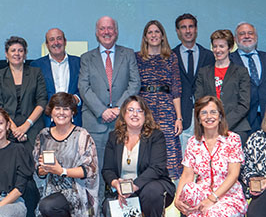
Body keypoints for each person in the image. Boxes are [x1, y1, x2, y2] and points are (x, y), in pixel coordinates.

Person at [78, 16, 141, 207]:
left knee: (124, 170)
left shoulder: (128, 54)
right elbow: (84, 87)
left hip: (123, 123)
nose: (107, 32)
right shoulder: (86, 58)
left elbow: (134, 83)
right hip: (95, 123)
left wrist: (118, 110)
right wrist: (102, 111)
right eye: (102, 29)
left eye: (110, 28)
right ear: (96, 33)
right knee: (95, 172)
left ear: (116, 31)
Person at [102, 96, 176, 217]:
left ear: (145, 115)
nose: (135, 114)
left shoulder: (156, 136)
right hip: (123, 188)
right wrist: (116, 184)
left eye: (139, 111)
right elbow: (107, 170)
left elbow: (157, 168)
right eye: (130, 110)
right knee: (108, 207)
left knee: (151, 192)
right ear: (123, 114)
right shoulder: (114, 137)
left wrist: (132, 187)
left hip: (151, 185)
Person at [174, 96, 247, 217]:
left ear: (220, 116)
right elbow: (187, 175)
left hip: (228, 194)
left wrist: (212, 199)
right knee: (189, 190)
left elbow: (233, 175)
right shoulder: (193, 142)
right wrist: (177, 198)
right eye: (204, 113)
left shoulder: (233, 139)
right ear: (199, 119)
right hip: (203, 193)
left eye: (213, 112)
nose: (209, 117)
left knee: (212, 212)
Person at [0, 36, 46, 217]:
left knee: (32, 179)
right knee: (10, 178)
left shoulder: (36, 72)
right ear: (6, 55)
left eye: (20, 50)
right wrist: (13, 127)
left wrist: (26, 126)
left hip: (32, 130)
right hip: (7, 132)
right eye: (13, 50)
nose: (17, 54)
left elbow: (42, 101)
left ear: (25, 53)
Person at [33, 93, 101, 217]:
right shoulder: (43, 135)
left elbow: (89, 170)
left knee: (47, 206)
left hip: (76, 190)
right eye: (57, 108)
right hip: (51, 191)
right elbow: (37, 168)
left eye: (66, 109)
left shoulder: (82, 135)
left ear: (72, 113)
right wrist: (43, 170)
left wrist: (61, 170)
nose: (61, 113)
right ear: (51, 111)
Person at [172, 13, 214, 217]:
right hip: (181, 118)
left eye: (191, 27)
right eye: (183, 27)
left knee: (206, 167)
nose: (187, 30)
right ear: (177, 32)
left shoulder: (209, 55)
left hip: (205, 118)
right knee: (186, 166)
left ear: (196, 30)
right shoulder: (169, 55)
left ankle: (206, 210)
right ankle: (184, 210)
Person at [135, 20, 182, 180]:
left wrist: (179, 118)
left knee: (169, 147)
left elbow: (176, 88)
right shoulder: (137, 58)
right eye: (150, 32)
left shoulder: (171, 58)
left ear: (162, 36)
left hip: (166, 108)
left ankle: (169, 187)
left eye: (157, 32)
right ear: (145, 37)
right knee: (145, 144)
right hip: (144, 107)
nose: (153, 35)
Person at [195, 29, 251, 143]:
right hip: (209, 129)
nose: (217, 50)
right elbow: (199, 101)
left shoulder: (241, 72)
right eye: (215, 46)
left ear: (230, 48)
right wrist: (212, 122)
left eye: (221, 46)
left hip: (237, 128)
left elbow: (244, 104)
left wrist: (223, 124)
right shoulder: (203, 72)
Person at [229, 22, 266, 134]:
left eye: (250, 33)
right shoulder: (229, 60)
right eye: (242, 34)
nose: (247, 36)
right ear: (235, 38)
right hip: (242, 122)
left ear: (256, 37)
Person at [30, 28, 82, 127]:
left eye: (59, 38)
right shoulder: (36, 66)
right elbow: (34, 94)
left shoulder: (79, 62)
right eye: (52, 39)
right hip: (47, 122)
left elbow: (86, 87)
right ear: (47, 44)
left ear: (65, 41)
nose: (56, 42)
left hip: (75, 120)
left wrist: (77, 98)